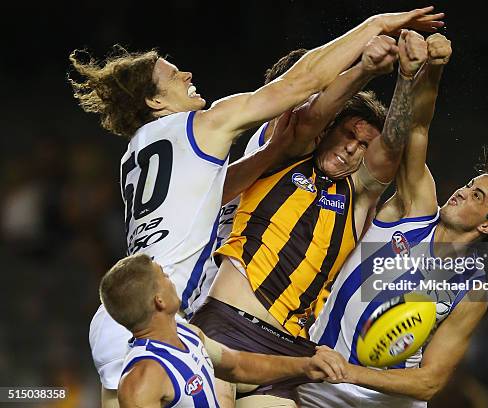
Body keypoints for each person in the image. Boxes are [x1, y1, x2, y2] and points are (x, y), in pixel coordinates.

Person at [68, 7, 444, 406]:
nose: (188, 75)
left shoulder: (143, 152)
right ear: (153, 99)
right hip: (174, 317)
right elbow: (302, 88)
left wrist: (407, 76)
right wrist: (370, 39)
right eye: (174, 74)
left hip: (237, 335)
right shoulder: (223, 132)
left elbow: (224, 188)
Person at [189, 27, 438, 405]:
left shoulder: (357, 196)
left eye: (362, 146)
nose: (352, 148)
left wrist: (407, 78)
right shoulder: (283, 154)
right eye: (347, 134)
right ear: (326, 131)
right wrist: (365, 68)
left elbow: (390, 147)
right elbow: (310, 116)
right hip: (228, 325)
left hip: (290, 351)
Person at [299, 33, 488, 407]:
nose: (461, 191)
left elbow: (429, 382)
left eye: (477, 196)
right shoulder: (416, 210)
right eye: (469, 184)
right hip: (315, 385)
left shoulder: (471, 293)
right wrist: (435, 69)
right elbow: (418, 129)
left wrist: (348, 371)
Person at [99, 253, 349, 407]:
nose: (170, 280)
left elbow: (239, 365)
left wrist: (304, 366)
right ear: (159, 301)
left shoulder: (188, 334)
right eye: (163, 276)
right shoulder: (141, 381)